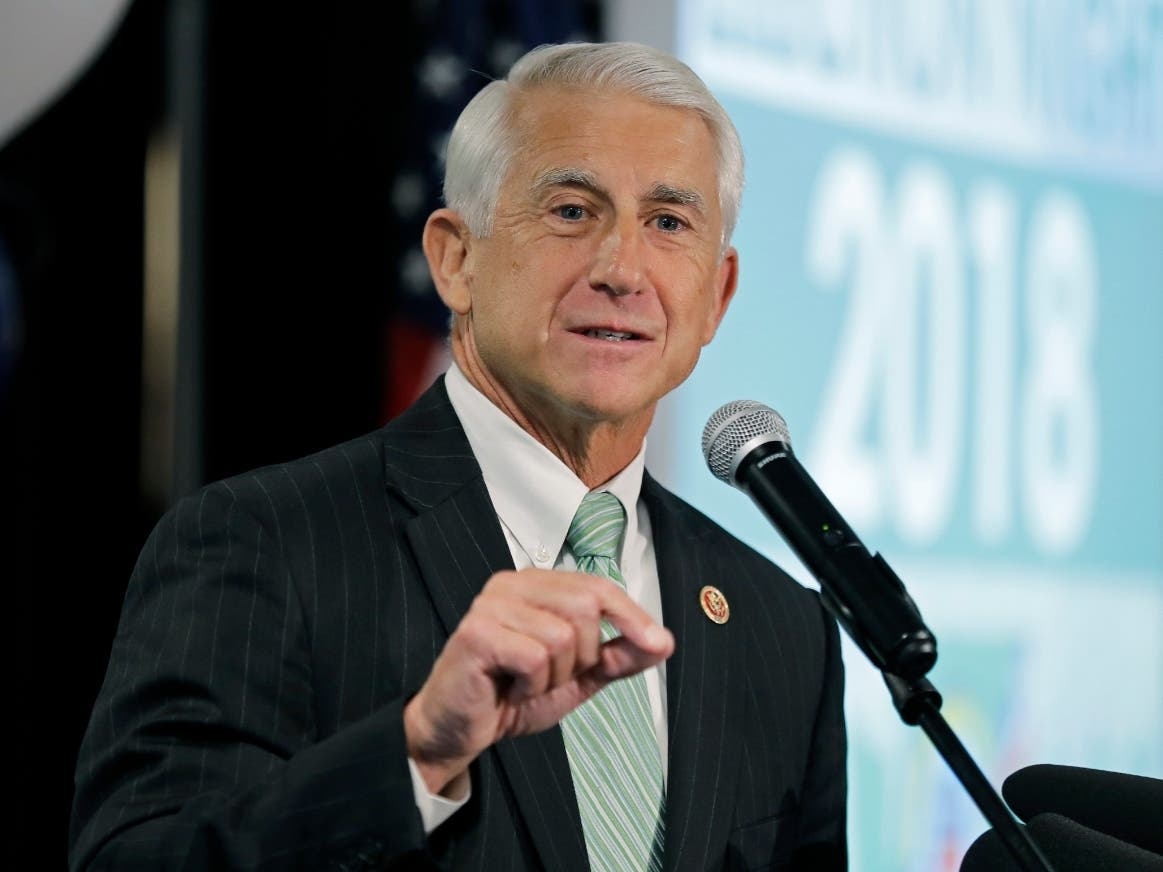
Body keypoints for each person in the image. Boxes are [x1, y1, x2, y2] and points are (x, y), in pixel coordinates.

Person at [70, 42, 847, 871]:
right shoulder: (264, 543)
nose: (623, 269)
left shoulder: (781, 630)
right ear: (455, 257)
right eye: (571, 211)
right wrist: (416, 755)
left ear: (717, 294)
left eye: (667, 223)